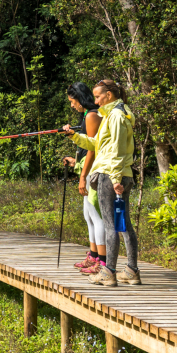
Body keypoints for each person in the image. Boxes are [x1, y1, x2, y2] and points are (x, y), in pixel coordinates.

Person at [63, 79, 139, 287]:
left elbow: (116, 151)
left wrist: (115, 180)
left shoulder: (115, 116)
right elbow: (99, 144)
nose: (94, 100)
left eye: (97, 96)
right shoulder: (112, 114)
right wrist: (74, 137)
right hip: (118, 174)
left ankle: (108, 272)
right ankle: (131, 271)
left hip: (111, 175)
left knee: (110, 225)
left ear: (109, 95)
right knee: (124, 224)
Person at [60, 83, 104, 275]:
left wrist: (83, 177)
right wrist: (74, 163)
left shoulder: (93, 115)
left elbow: (93, 149)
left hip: (94, 174)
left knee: (97, 216)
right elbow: (85, 146)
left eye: (72, 101)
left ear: (80, 97)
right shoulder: (87, 115)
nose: (72, 105)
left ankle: (101, 263)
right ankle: (93, 256)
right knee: (89, 217)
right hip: (87, 171)